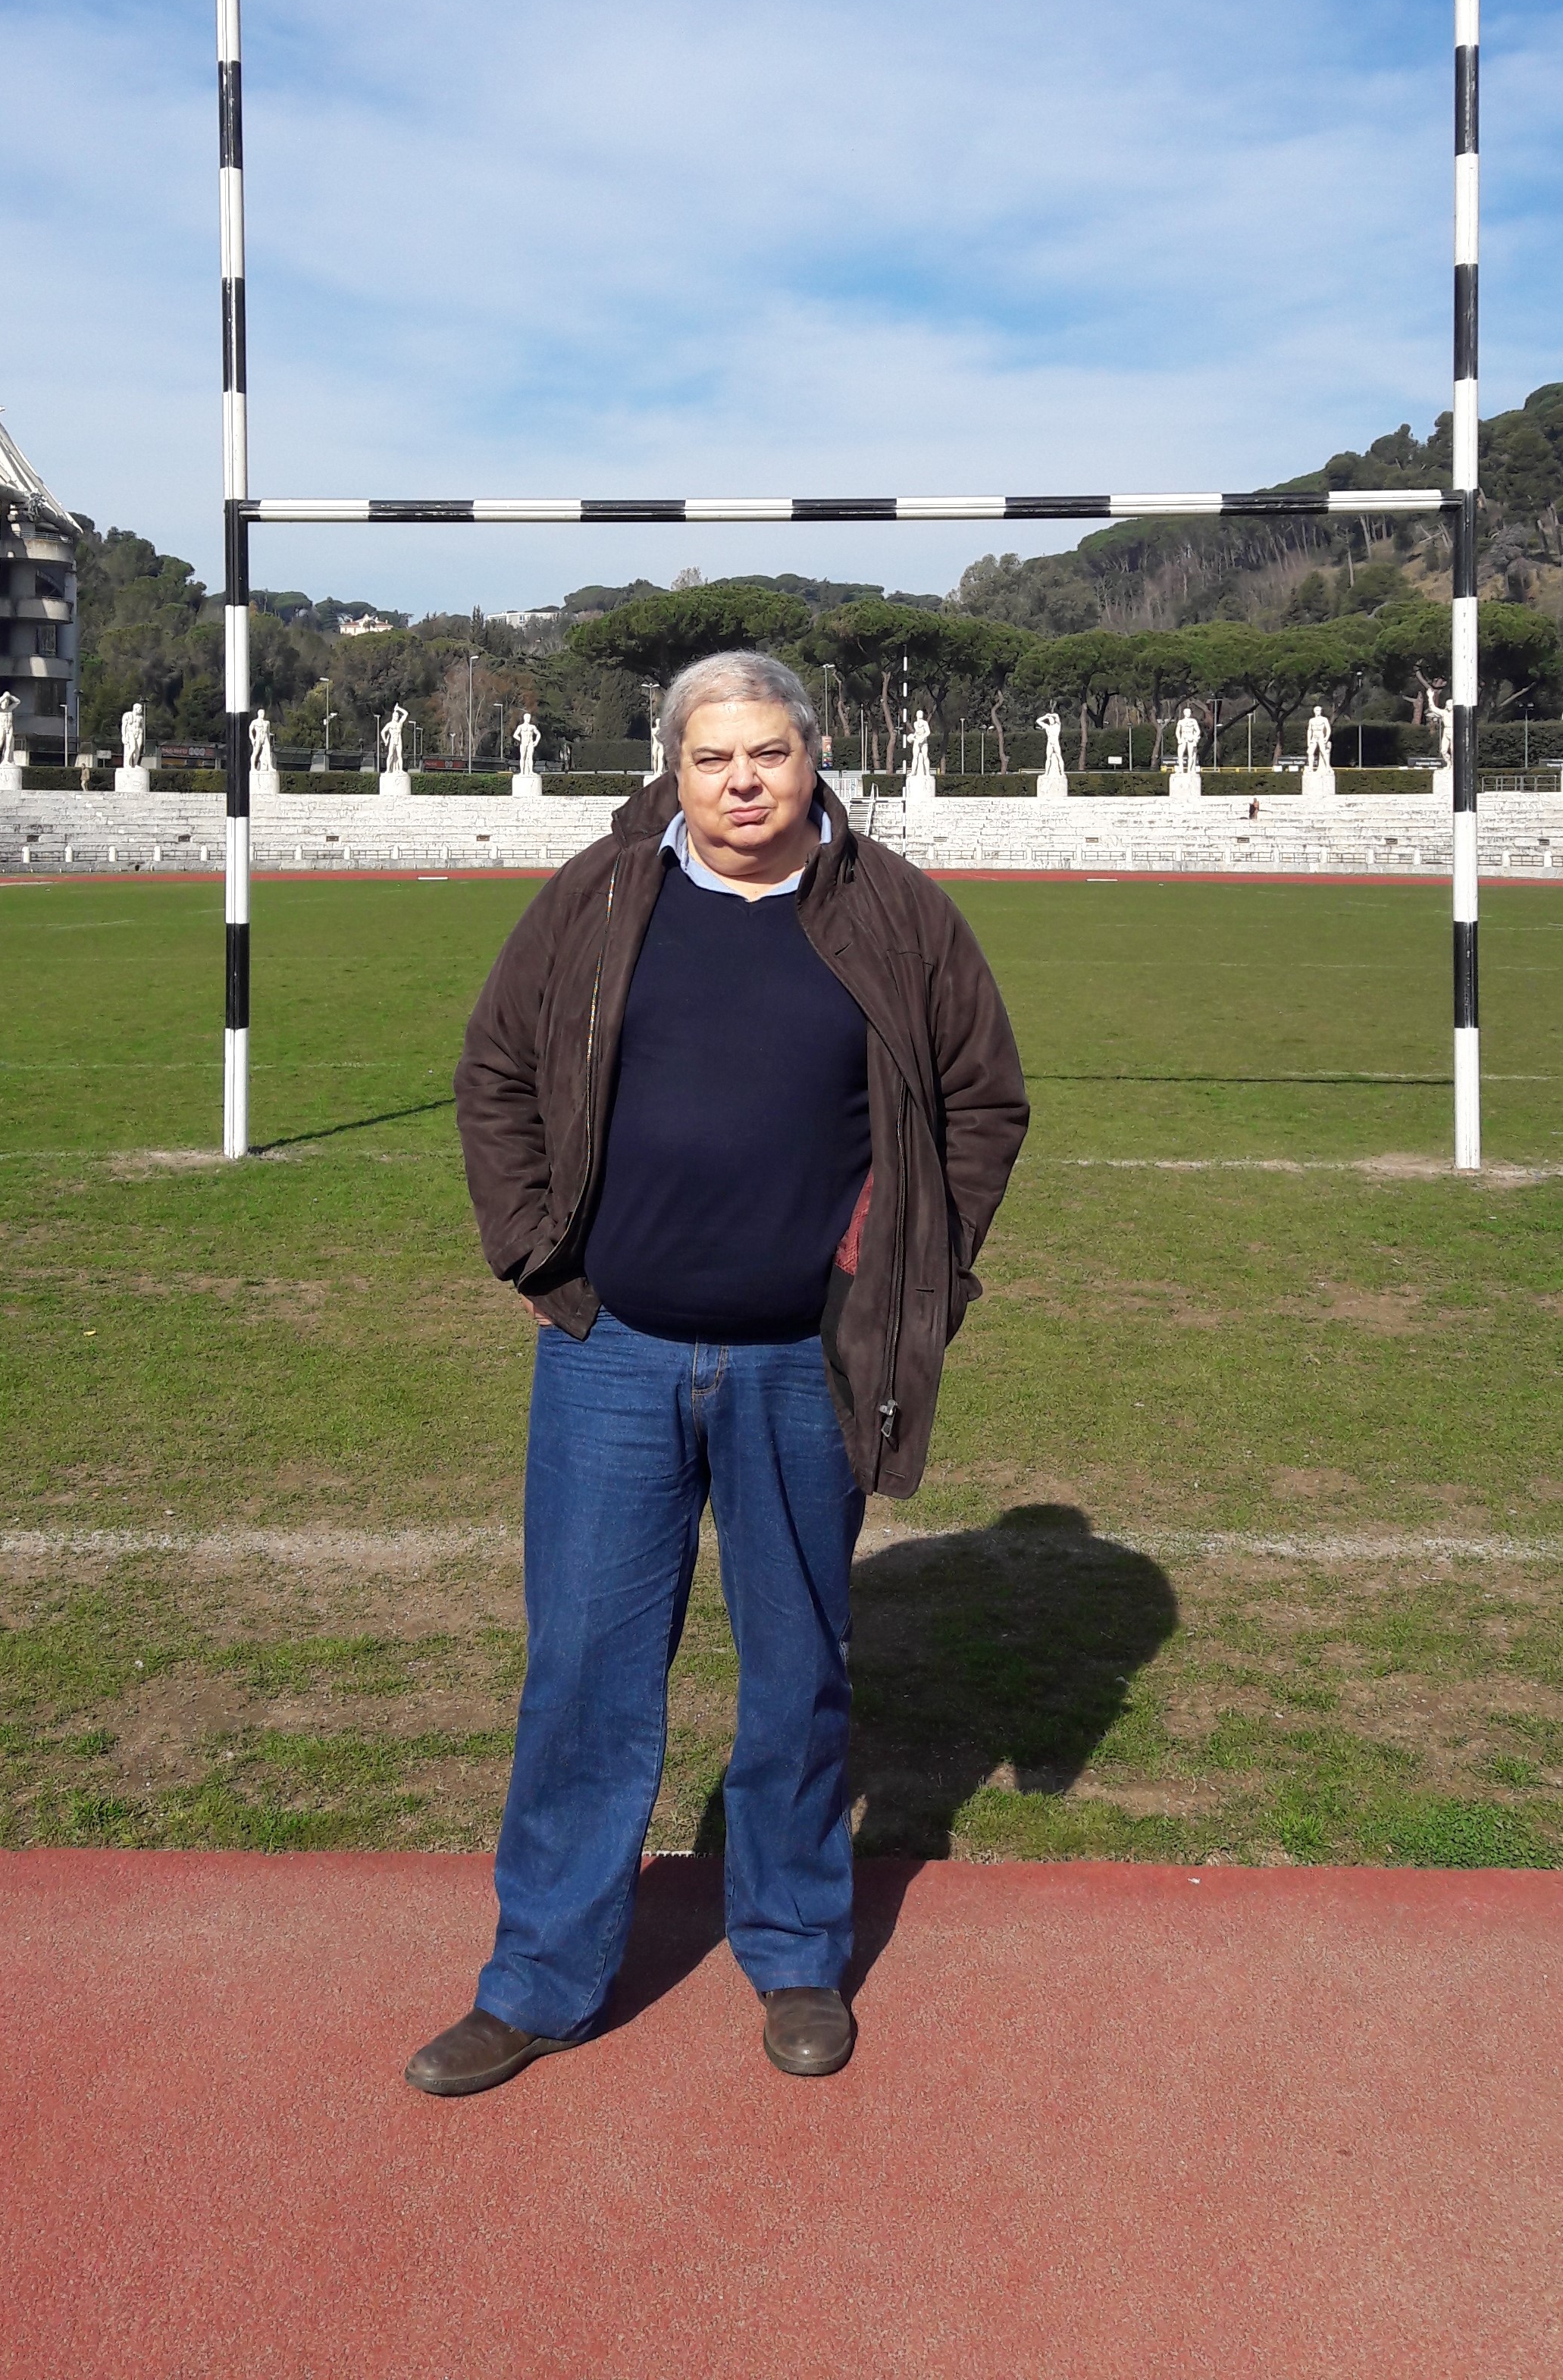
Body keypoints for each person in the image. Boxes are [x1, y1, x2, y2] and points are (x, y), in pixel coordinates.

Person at [408, 650, 1029, 2098]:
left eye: (768, 754)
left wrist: (907, 1274)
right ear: (672, 767)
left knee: (797, 1673)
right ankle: (540, 1982)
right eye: (712, 758)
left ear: (813, 758)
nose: (742, 781)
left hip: (804, 1369)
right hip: (611, 1356)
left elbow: (980, 1103)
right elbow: (497, 1068)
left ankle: (797, 1950)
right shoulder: (600, 894)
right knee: (581, 1674)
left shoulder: (893, 911)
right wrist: (530, 1251)